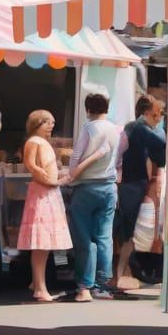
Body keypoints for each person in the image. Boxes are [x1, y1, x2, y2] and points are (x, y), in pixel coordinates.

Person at [68, 92, 122, 302]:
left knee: (84, 237)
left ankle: (85, 285)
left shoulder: (89, 128)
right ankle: (102, 285)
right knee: (104, 236)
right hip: (108, 187)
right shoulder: (115, 130)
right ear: (106, 108)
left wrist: (71, 173)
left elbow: (76, 156)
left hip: (86, 187)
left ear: (88, 109)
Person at [17, 111, 73, 302]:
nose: (51, 126)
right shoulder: (33, 141)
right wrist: (50, 180)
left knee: (45, 243)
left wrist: (56, 178)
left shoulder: (43, 142)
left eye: (52, 122)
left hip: (48, 193)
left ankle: (37, 283)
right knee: (41, 243)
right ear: (36, 124)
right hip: (42, 194)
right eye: (46, 122)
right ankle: (40, 288)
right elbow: (31, 165)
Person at [113, 95, 166, 289]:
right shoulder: (139, 128)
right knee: (128, 231)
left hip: (129, 184)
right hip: (133, 184)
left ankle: (122, 273)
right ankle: (120, 274)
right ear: (146, 113)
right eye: (156, 114)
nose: (159, 118)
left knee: (126, 231)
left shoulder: (132, 128)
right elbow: (161, 150)